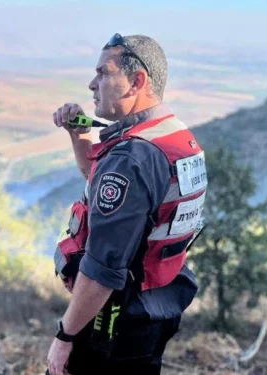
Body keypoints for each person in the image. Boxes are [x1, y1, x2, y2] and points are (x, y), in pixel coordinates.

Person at [46, 33, 208, 375]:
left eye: (103, 73)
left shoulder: (133, 157)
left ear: (137, 81)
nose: (92, 84)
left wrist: (65, 335)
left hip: (112, 319)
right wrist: (80, 135)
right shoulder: (175, 136)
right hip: (154, 309)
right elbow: (108, 188)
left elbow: (103, 269)